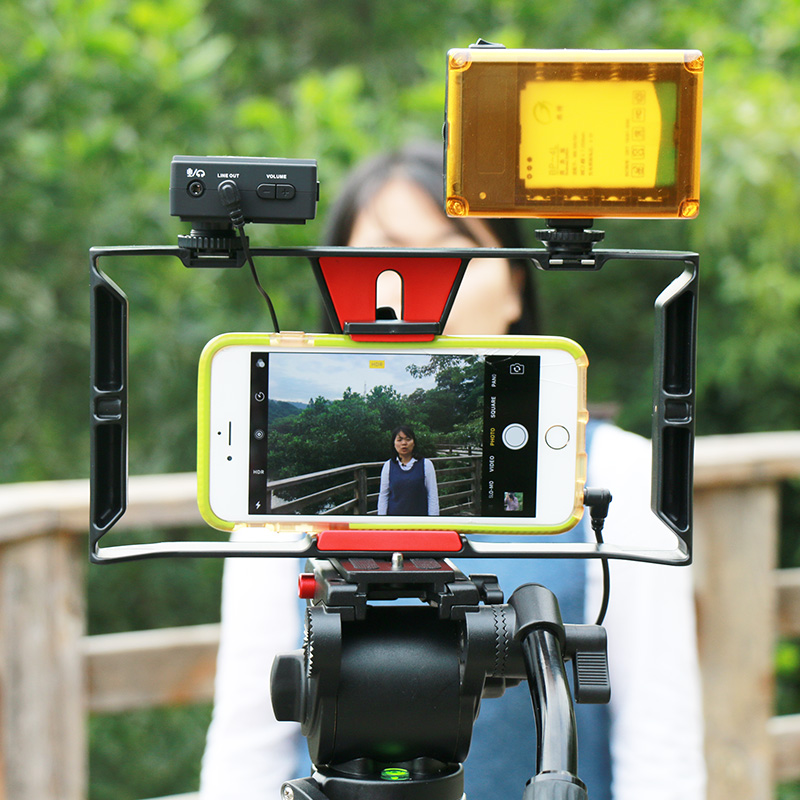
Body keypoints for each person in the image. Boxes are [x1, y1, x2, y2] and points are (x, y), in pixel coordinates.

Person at [199, 143, 706, 800]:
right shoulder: (275, 506)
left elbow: (661, 754)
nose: (418, 281)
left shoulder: (621, 474)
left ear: (516, 280)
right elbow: (246, 753)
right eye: (383, 257)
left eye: (450, 250)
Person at [377, 425, 439, 515]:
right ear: (394, 443)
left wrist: (433, 520)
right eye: (399, 440)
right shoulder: (388, 466)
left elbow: (432, 495)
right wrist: (381, 519)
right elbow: (383, 495)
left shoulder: (426, 464)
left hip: (420, 520)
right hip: (394, 520)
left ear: (414, 443)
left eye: (408, 439)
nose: (404, 443)